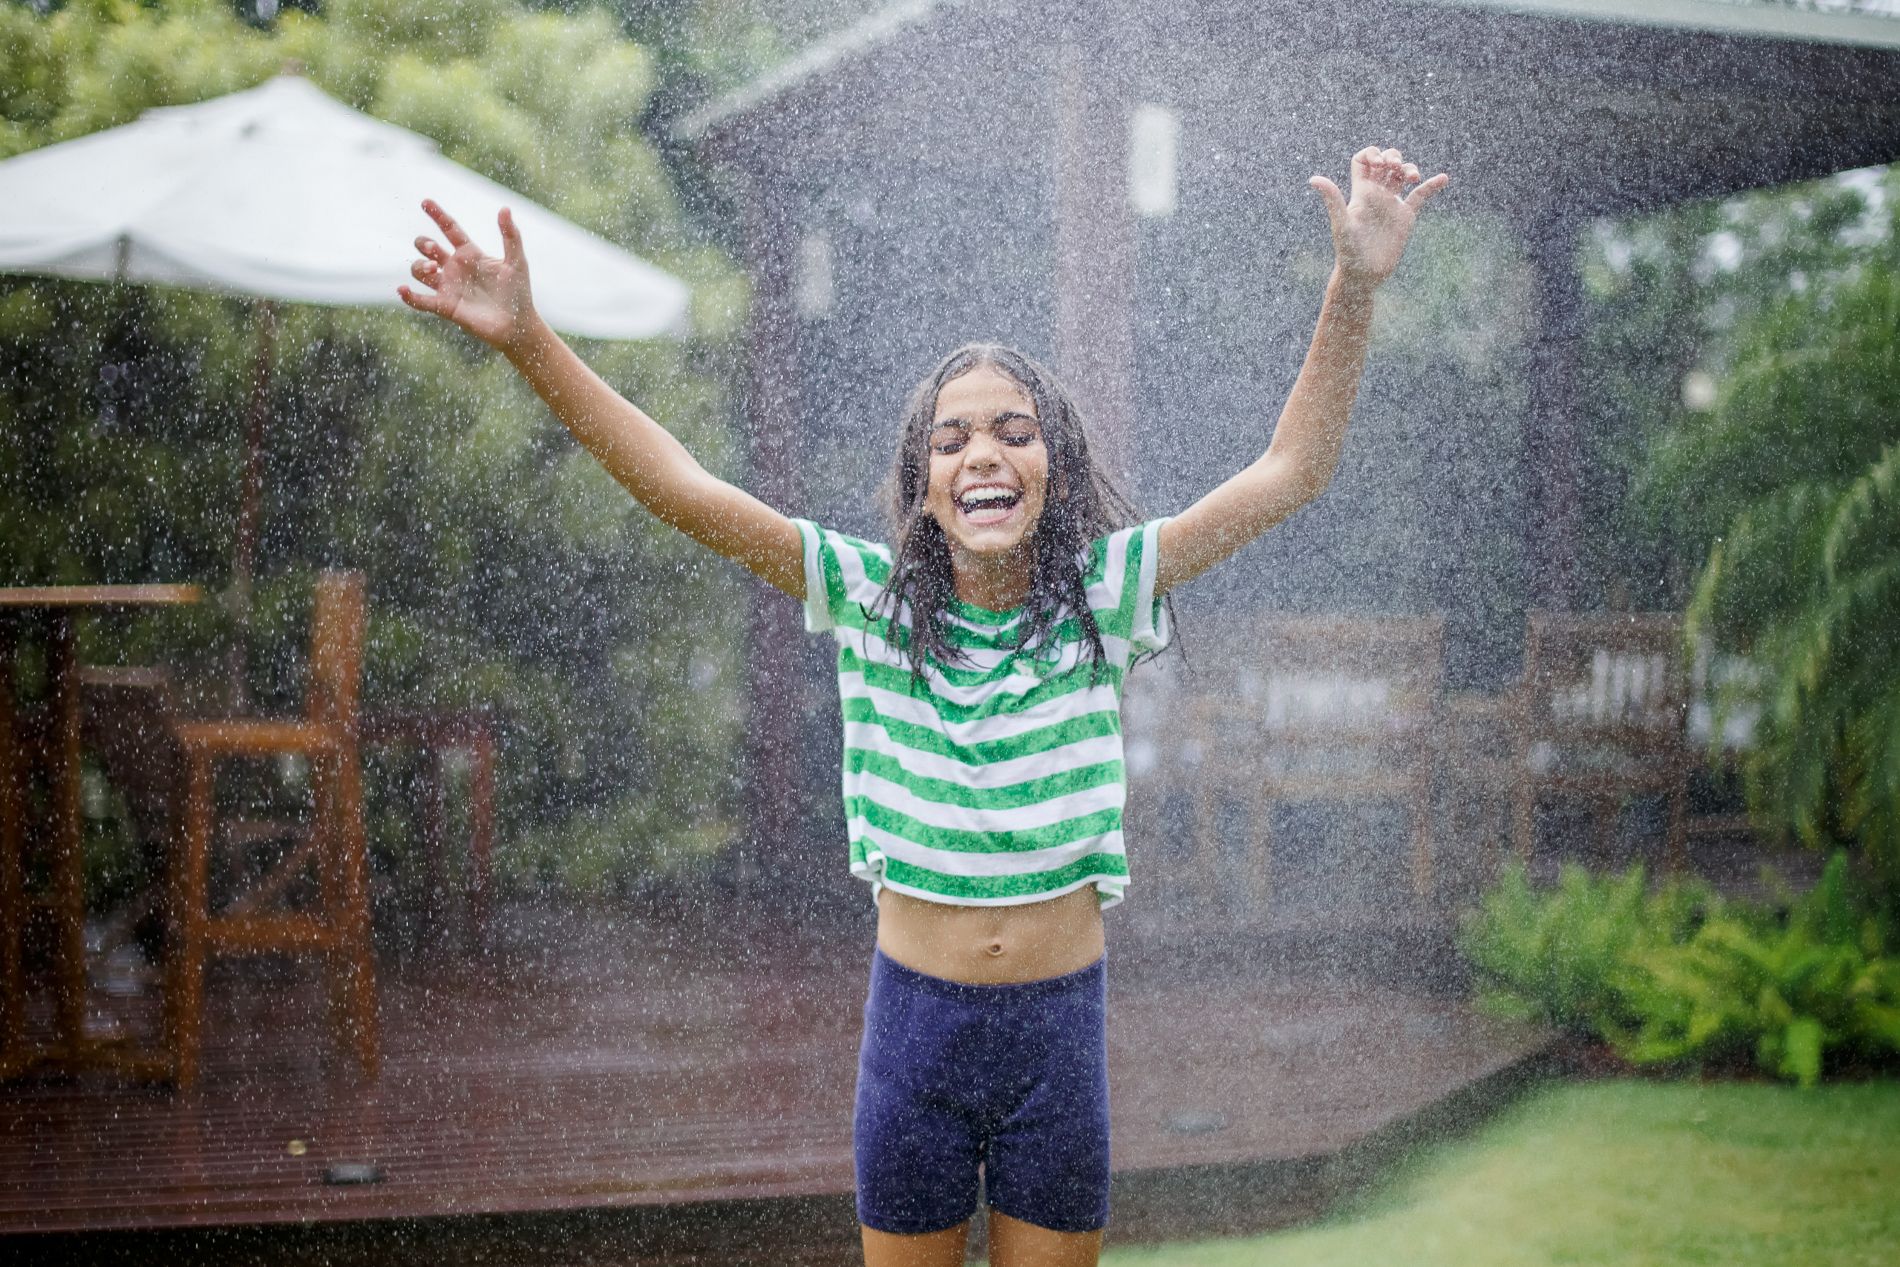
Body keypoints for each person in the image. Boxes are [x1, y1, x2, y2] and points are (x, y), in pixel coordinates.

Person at [400, 144, 1448, 1267]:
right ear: (921, 484)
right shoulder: (869, 602)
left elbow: (1289, 470)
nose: (983, 452)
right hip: (915, 1035)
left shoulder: (1104, 596)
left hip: (1058, 1036)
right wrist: (529, 342)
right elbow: (680, 487)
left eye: (1013, 430)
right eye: (951, 439)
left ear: (1053, 463)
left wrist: (1354, 284)